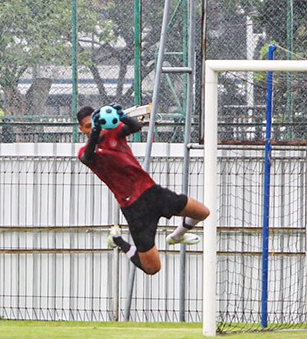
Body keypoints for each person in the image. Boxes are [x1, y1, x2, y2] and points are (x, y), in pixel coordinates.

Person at [77, 104, 210, 275]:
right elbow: (87, 157)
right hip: (134, 209)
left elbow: (136, 127)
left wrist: (123, 117)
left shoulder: (113, 132)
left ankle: (177, 236)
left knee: (202, 212)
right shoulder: (84, 151)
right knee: (152, 268)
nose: (93, 128)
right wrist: (95, 134)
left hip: (152, 192)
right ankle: (118, 240)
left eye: (95, 125)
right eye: (89, 126)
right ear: (81, 129)